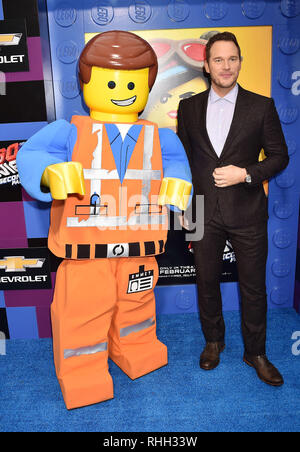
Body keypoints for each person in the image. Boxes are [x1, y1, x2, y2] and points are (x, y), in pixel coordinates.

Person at [17, 31, 192, 409]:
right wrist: (50, 174)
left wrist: (179, 185)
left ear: (146, 87)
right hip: (86, 254)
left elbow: (177, 166)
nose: (122, 90)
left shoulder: (160, 138)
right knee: (82, 312)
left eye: (132, 82)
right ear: (87, 83)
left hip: (139, 250)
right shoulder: (70, 130)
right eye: (111, 81)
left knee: (137, 305)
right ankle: (82, 371)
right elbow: (32, 155)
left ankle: (135, 345)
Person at [177, 31, 289, 386]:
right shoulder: (188, 107)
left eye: (233, 59)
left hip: (248, 212)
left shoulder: (262, 106)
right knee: (205, 282)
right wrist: (182, 202)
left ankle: (255, 352)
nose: (227, 66)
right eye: (219, 60)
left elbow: (279, 156)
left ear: (240, 62)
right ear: (206, 65)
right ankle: (214, 342)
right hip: (199, 210)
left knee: (253, 287)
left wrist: (246, 173)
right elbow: (181, 160)